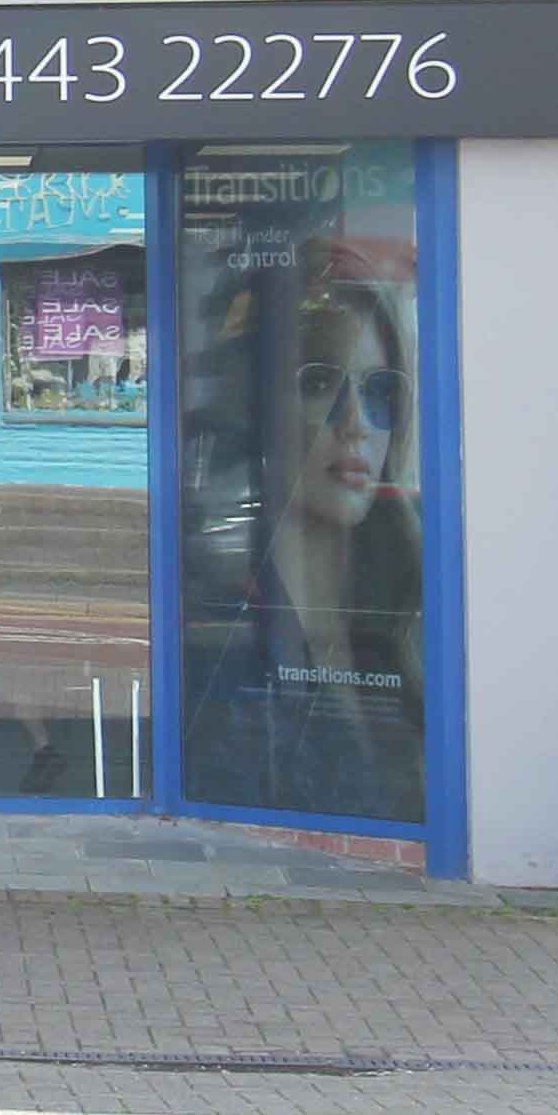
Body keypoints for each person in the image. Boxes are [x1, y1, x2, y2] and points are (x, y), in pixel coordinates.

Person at [198, 277, 428, 822]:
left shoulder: (413, 604)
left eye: (378, 392)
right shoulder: (221, 621)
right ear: (258, 404)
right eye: (321, 384)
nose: (355, 425)